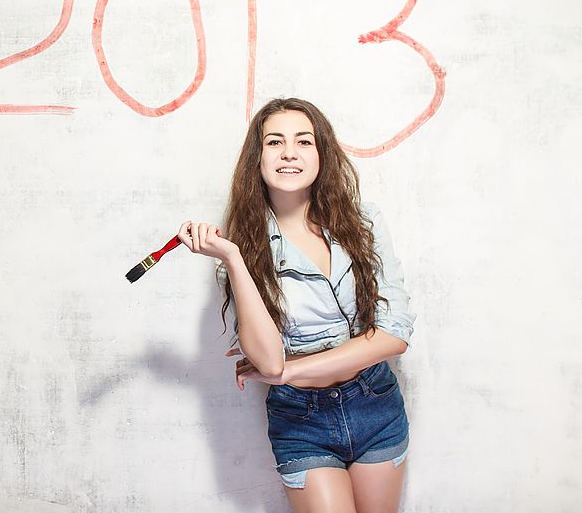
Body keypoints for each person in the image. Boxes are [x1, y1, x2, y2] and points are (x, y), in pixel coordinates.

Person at [177, 97, 415, 513]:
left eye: (304, 141)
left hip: (374, 401)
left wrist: (294, 370)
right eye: (275, 142)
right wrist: (233, 258)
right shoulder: (241, 257)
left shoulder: (364, 223)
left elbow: (394, 334)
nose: (289, 152)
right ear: (258, 158)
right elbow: (268, 364)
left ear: (320, 153)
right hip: (301, 420)